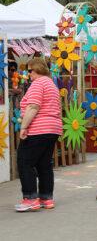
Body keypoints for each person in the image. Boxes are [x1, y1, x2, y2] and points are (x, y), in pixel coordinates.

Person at [15, 58, 62, 212]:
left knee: (24, 161)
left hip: (38, 129)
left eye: (29, 71)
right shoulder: (51, 85)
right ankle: (46, 198)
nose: (28, 74)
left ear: (37, 70)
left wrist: (24, 126)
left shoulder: (38, 84)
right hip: (52, 129)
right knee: (44, 164)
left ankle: (30, 198)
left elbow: (33, 106)